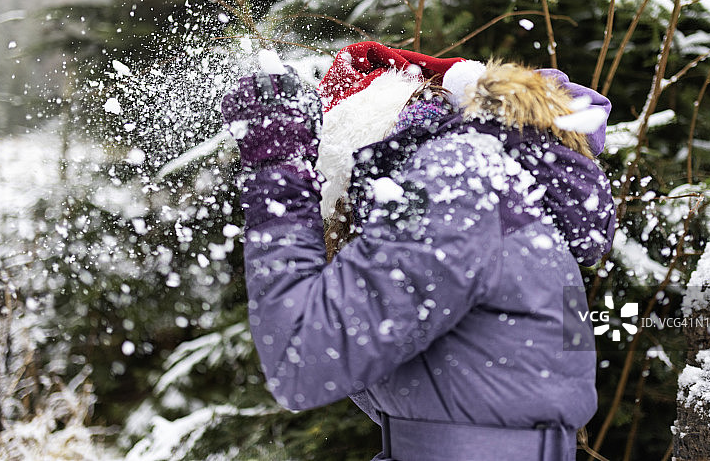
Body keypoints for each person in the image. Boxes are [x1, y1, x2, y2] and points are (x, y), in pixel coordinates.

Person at [221, 41, 615, 461]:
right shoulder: (495, 191)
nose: (337, 215)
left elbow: (303, 361)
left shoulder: (456, 183)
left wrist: (278, 170)